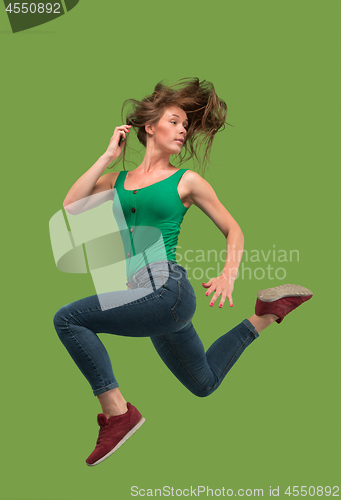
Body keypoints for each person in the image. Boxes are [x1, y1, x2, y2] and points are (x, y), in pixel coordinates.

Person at [53, 78, 313, 467]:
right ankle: (265, 314)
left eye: (184, 126)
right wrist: (108, 154)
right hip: (148, 301)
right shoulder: (117, 181)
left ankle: (118, 413)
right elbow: (71, 206)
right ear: (149, 126)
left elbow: (233, 229)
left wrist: (228, 275)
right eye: (174, 122)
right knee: (203, 383)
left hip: (165, 288)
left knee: (69, 319)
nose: (182, 130)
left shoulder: (185, 180)